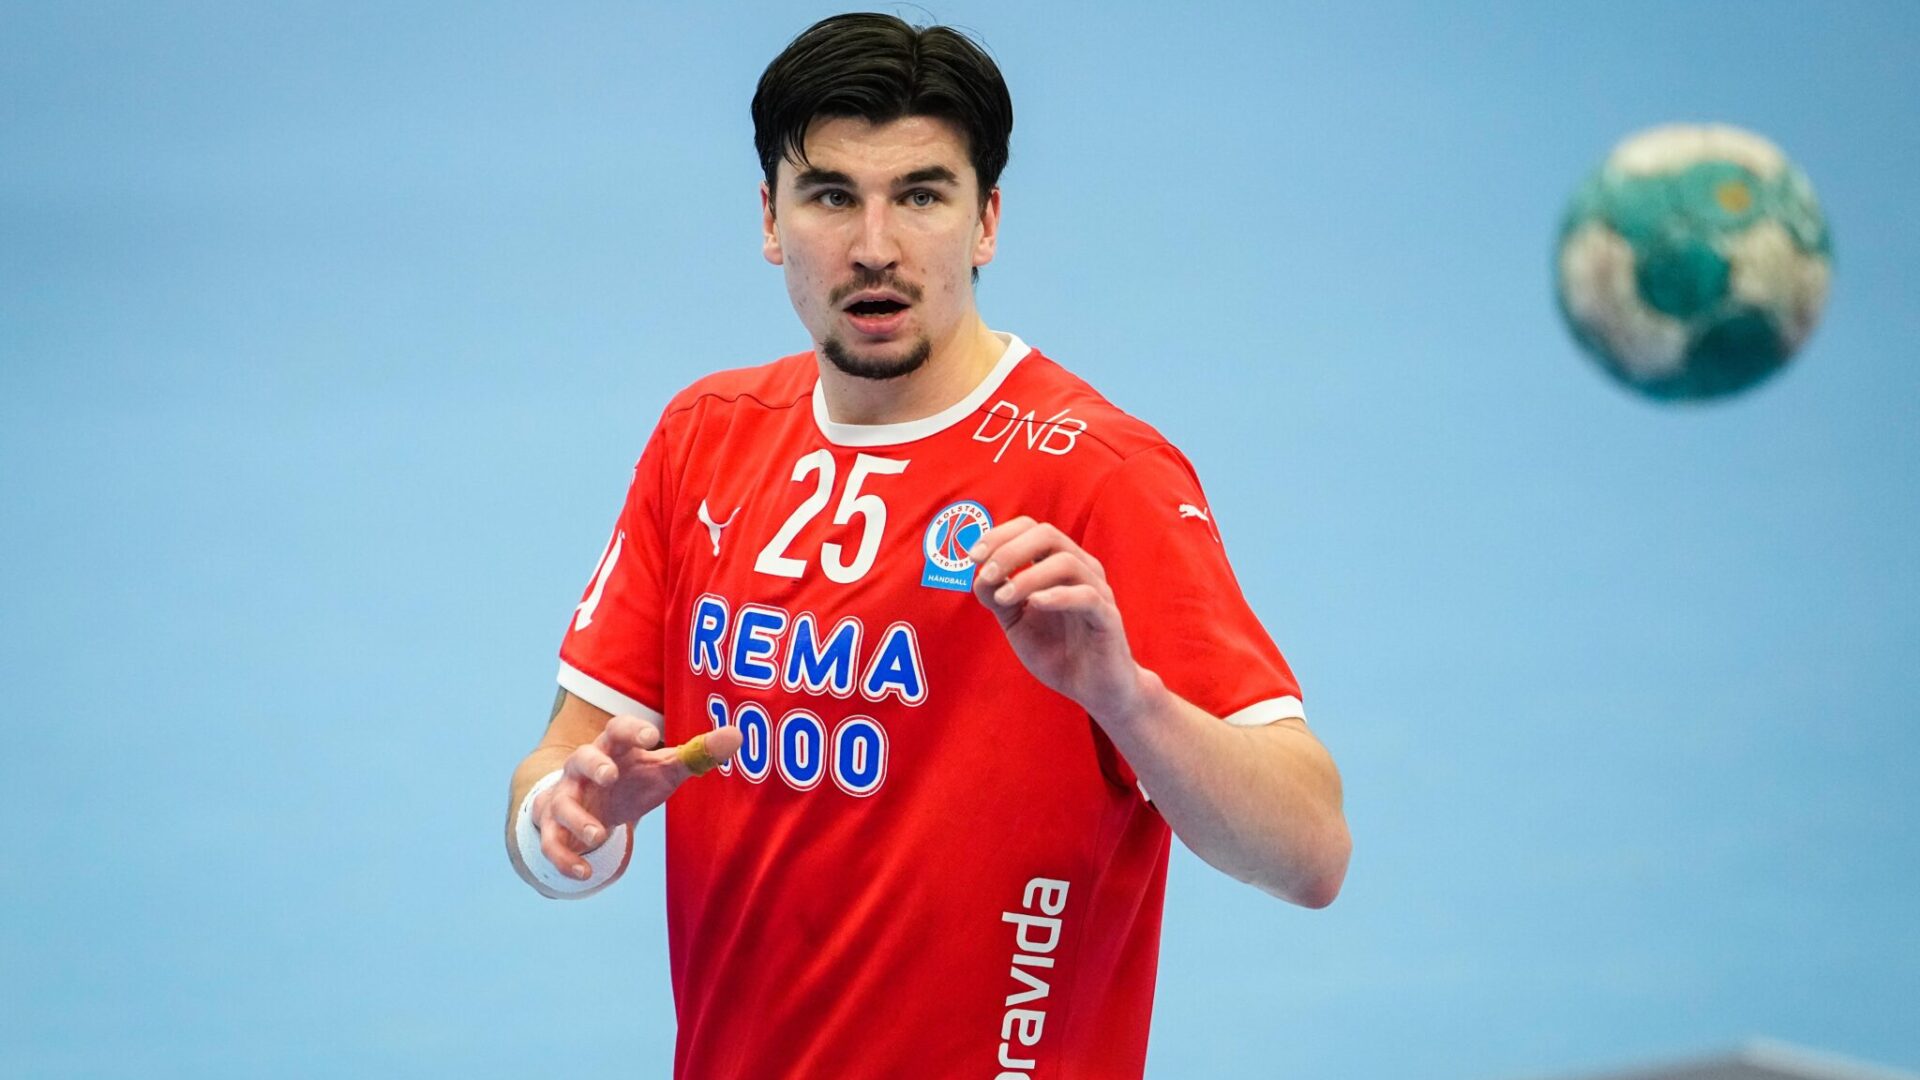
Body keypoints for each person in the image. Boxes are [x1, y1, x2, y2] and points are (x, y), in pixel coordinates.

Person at [503, 12, 1350, 1077]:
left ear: (986, 219)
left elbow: (1312, 850)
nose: (874, 246)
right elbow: (557, 775)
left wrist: (1126, 701)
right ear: (769, 219)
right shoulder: (703, 441)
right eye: (830, 196)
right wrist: (565, 821)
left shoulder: (1099, 475)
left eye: (921, 195)